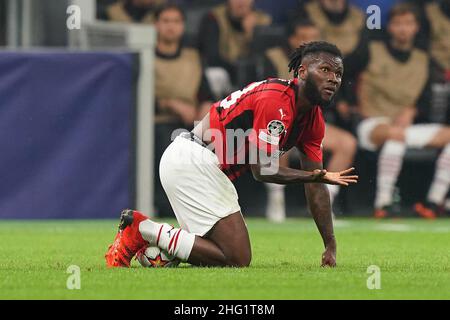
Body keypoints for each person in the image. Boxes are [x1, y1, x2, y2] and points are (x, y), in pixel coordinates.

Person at [105, 41, 358, 268]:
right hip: (195, 161)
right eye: (325, 70)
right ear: (302, 72)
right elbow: (264, 170)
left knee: (218, 254)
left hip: (197, 164)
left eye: (338, 74)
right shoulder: (277, 101)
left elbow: (317, 187)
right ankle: (143, 228)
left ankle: (159, 252)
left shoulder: (313, 120)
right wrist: (315, 176)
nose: (333, 79)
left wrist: (330, 244)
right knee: (237, 257)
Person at [344, 3, 450, 218]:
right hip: (371, 124)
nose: (403, 29)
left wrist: (413, 110)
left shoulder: (424, 59)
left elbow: (426, 99)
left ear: (416, 27)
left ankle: (434, 202)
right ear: (390, 27)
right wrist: (344, 102)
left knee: (442, 135)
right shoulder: (371, 49)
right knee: (394, 136)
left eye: (408, 23)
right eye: (398, 23)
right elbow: (342, 72)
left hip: (404, 127)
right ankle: (383, 202)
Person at [262, 20, 357, 222]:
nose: (310, 42)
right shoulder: (273, 58)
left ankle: (326, 201)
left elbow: (328, 100)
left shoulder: (327, 66)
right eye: (304, 37)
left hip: (308, 122)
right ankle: (276, 201)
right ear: (292, 40)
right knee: (278, 140)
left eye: (314, 37)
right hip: (277, 120)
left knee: (347, 142)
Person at [152, 4, 214, 216]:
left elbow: (206, 95)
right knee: (167, 139)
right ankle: (165, 206)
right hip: (156, 122)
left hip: (191, 124)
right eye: (166, 21)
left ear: (183, 26)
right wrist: (170, 104)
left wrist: (203, 113)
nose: (171, 27)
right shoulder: (146, 56)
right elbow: (137, 96)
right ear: (156, 25)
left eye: (176, 21)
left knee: (220, 141)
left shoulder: (193, 56)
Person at [198, 0, 272, 87]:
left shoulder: (263, 20)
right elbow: (212, 57)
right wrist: (237, 70)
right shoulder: (214, 18)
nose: (241, 2)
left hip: (257, 75)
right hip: (227, 76)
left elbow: (266, 59)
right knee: (215, 74)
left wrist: (251, 34)